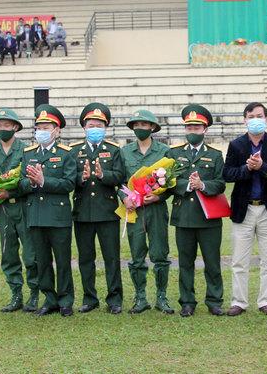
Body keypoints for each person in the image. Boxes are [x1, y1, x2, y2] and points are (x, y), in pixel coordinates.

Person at [223, 102, 267, 316]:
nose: (255, 119)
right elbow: (228, 174)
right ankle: (238, 302)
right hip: (244, 208)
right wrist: (247, 169)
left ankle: (266, 301)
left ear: (266, 119)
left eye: (259, 115)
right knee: (239, 260)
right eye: (251, 116)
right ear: (245, 120)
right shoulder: (236, 145)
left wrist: (263, 167)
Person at [16, 105, 77, 317]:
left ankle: (66, 300)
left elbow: (69, 183)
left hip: (58, 217)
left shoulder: (66, 154)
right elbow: (20, 184)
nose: (42, 129)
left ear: (57, 130)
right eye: (39, 126)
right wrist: (32, 184)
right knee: (41, 261)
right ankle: (49, 299)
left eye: (47, 126)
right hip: (36, 216)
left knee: (62, 260)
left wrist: (44, 181)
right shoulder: (28, 154)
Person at [166, 104, 226, 317]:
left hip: (208, 218)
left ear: (205, 129)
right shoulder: (174, 153)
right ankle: (187, 302)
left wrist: (203, 186)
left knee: (212, 262)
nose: (193, 131)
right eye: (189, 128)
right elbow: (169, 182)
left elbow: (220, 183)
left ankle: (214, 300)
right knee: (185, 262)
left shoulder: (216, 155)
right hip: (183, 216)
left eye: (197, 128)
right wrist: (189, 185)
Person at [70, 103, 125, 314]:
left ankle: (115, 298)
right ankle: (89, 298)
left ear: (106, 127)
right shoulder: (75, 151)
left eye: (99, 124)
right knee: (85, 258)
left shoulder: (113, 150)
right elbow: (68, 179)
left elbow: (121, 177)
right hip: (83, 212)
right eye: (91, 124)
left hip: (107, 212)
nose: (95, 127)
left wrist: (104, 175)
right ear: (84, 127)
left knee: (111, 257)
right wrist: (81, 178)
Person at [120, 109, 174, 314]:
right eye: (136, 125)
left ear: (152, 127)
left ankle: (161, 297)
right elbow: (119, 180)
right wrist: (124, 198)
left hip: (157, 209)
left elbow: (170, 184)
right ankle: (140, 297)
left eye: (144, 125)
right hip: (135, 210)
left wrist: (160, 196)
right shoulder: (124, 152)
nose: (140, 128)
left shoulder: (164, 151)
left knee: (160, 253)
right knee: (136, 254)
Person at [0, 109, 38, 313]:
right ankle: (16, 295)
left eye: (7, 125)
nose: (3, 129)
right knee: (8, 254)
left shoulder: (26, 150)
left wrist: (12, 190)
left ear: (16, 127)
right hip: (4, 210)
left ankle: (34, 293)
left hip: (23, 207)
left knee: (31, 254)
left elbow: (29, 180)